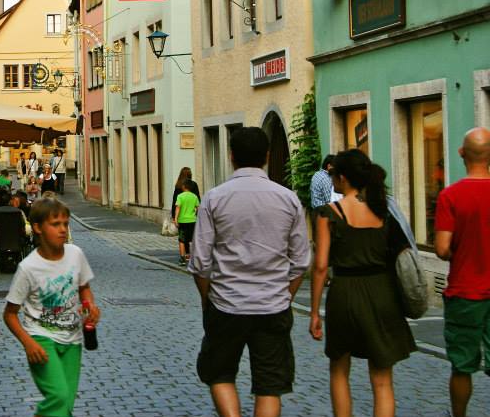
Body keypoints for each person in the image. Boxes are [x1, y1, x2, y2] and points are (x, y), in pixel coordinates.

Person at [188, 127, 310, 417]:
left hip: (227, 303)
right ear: (267, 157)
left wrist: (208, 300)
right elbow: (301, 261)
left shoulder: (215, 198)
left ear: (231, 156)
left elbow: (200, 261)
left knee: (219, 373)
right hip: (273, 305)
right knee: (270, 385)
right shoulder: (288, 199)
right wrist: (286, 296)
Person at [309, 150, 416, 417]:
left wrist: (314, 311)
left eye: (334, 174)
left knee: (339, 371)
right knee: (382, 380)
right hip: (382, 292)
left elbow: (321, 266)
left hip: (344, 293)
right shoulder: (382, 209)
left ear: (343, 178)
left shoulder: (328, 213)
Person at [4, 197, 100, 417]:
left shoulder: (76, 254)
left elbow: (83, 287)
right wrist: (28, 343)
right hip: (41, 339)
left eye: (65, 224)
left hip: (73, 340)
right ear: (37, 228)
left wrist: (89, 305)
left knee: (65, 404)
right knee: (58, 396)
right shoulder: (28, 268)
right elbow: (9, 315)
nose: (63, 230)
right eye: (55, 224)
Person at [435, 127, 490, 417]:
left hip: (465, 292)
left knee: (462, 365)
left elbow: (442, 248)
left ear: (461, 154)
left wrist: (463, 249)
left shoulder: (450, 196)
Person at [174, 179, 200, 265]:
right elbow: (198, 208)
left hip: (182, 221)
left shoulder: (180, 196)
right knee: (192, 239)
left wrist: (176, 219)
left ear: (184, 186)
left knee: (182, 240)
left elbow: (178, 208)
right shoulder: (194, 196)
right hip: (192, 220)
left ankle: (182, 258)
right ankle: (193, 257)